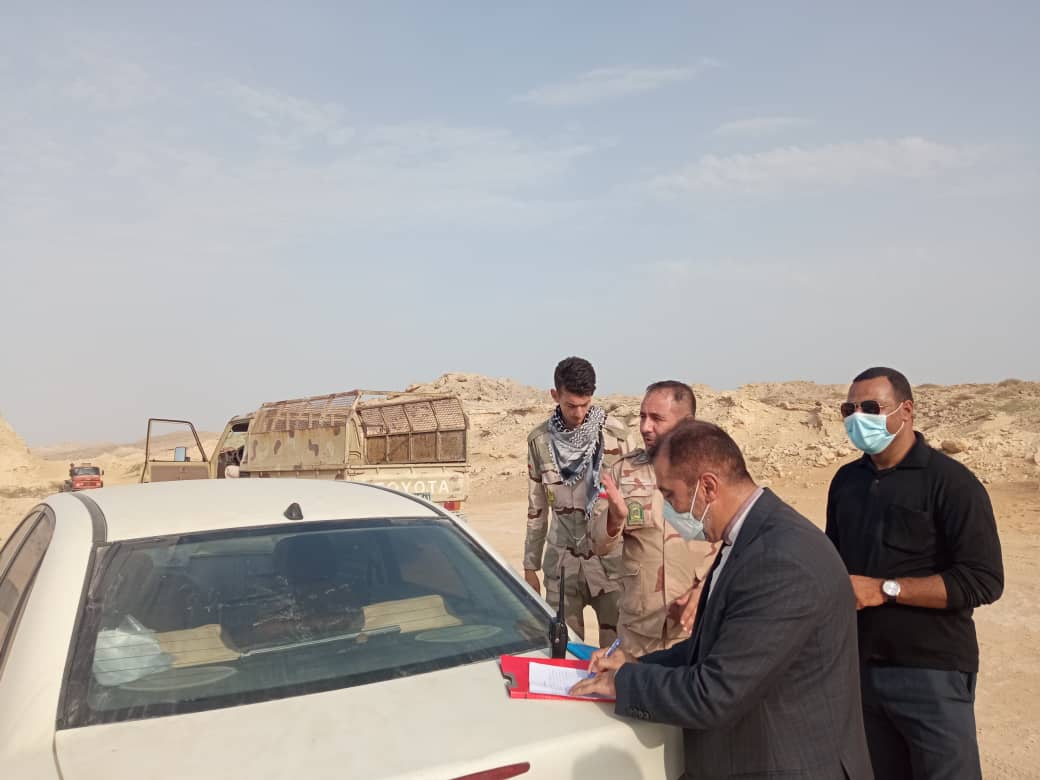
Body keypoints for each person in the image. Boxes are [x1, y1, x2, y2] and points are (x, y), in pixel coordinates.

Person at [572, 420, 872, 779]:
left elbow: (715, 693)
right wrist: (637, 664)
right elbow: (722, 645)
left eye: (670, 495)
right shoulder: (748, 537)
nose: (667, 507)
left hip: (787, 765)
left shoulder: (781, 560)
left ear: (708, 486)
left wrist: (623, 684)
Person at [826, 367, 1004, 779]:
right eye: (849, 410)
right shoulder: (846, 482)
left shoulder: (952, 483)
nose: (858, 418)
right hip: (861, 672)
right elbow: (833, 562)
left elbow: (983, 579)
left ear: (906, 411)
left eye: (871, 408)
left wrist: (885, 589)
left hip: (932, 673)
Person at [589, 381, 718, 655]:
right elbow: (597, 544)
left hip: (695, 630)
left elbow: (735, 543)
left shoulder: (713, 473)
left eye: (657, 419)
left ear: (687, 423)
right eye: (642, 416)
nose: (645, 427)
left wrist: (705, 589)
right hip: (638, 633)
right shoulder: (622, 471)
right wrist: (614, 519)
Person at [523, 356, 632, 646]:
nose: (579, 413)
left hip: (610, 568)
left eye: (585, 404)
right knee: (564, 650)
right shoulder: (540, 441)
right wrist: (530, 567)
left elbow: (634, 504)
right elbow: (536, 509)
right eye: (571, 405)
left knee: (616, 655)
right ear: (555, 395)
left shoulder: (617, 436)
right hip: (562, 568)